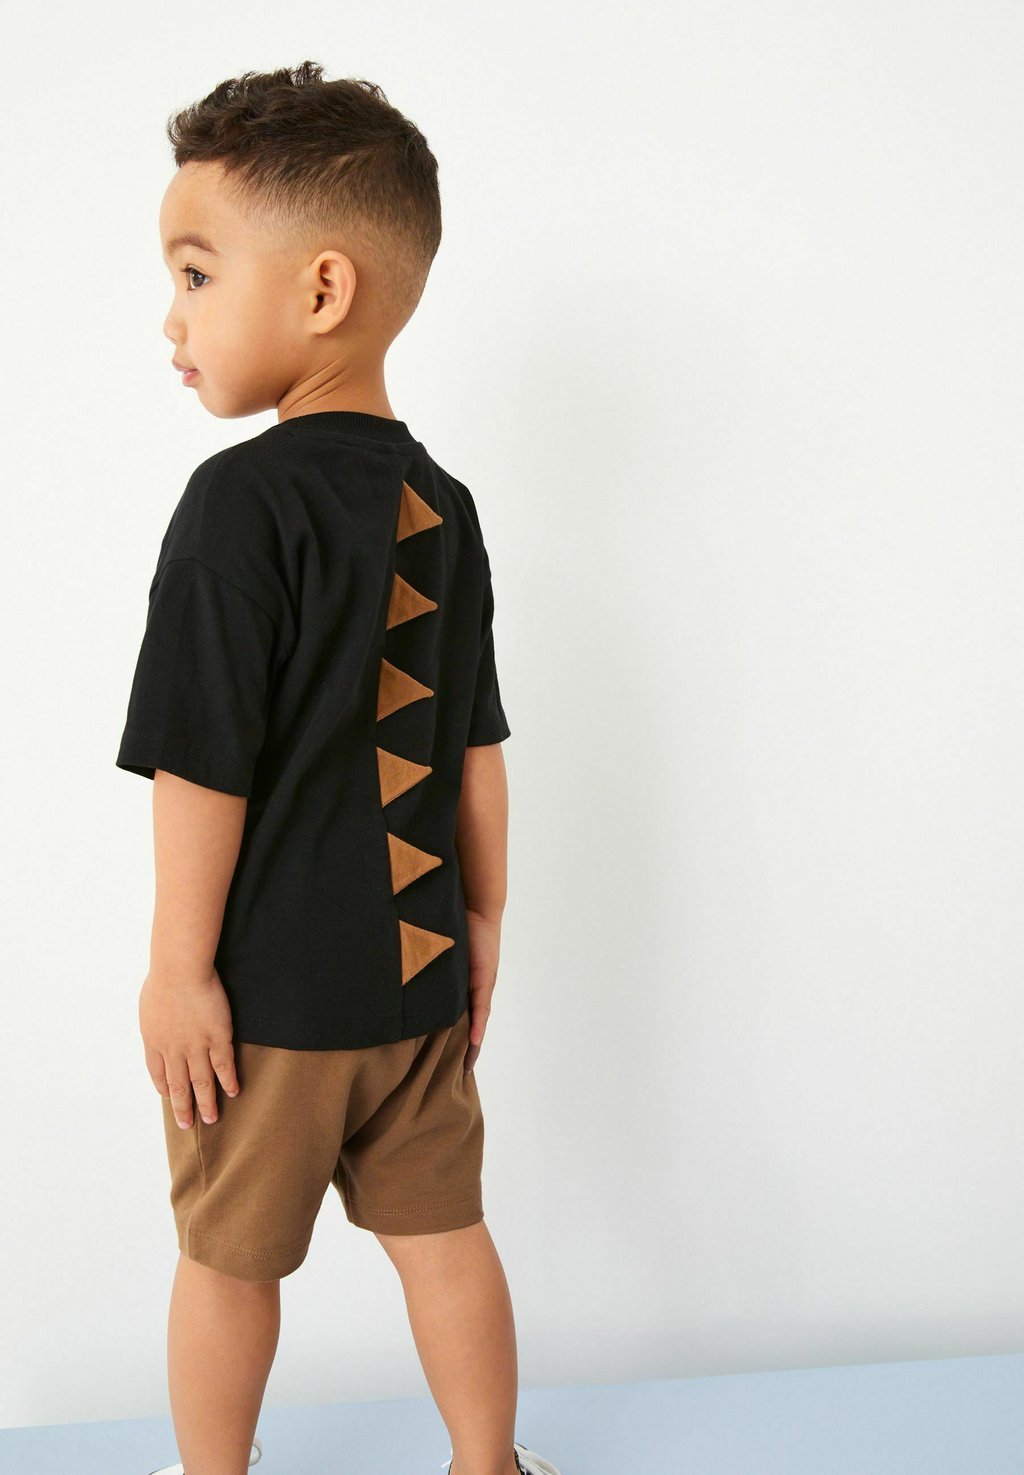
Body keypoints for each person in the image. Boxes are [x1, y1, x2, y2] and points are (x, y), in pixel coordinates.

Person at [115, 61, 560, 1475]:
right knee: (447, 1240)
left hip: (272, 1006)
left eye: (195, 274)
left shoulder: (237, 506)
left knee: (227, 1262)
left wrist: (179, 972)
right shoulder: (446, 504)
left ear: (320, 291)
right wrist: (481, 921)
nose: (171, 317)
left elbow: (203, 763)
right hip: (420, 978)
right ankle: (488, 1466)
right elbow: (476, 742)